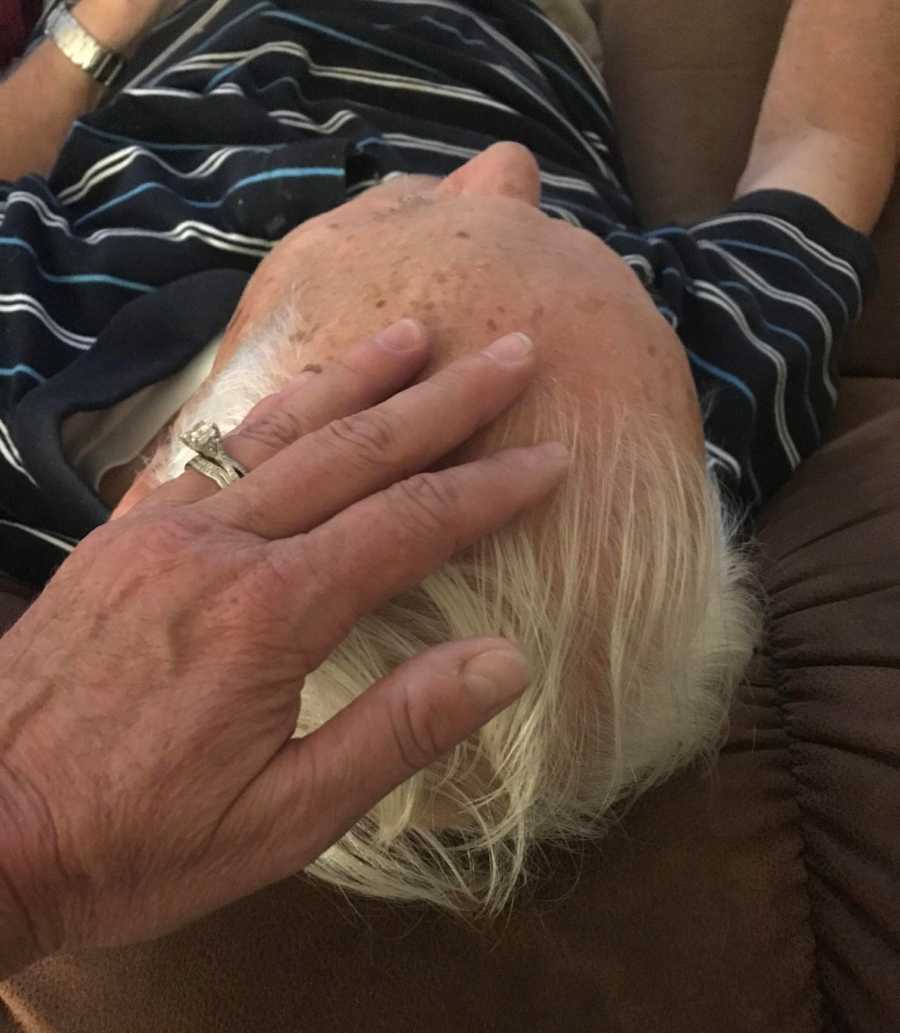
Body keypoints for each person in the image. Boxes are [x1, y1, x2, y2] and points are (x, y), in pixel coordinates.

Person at [0, 0, 897, 963]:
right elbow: (823, 140)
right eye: (570, 234)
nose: (508, 167)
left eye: (418, 205)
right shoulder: (678, 432)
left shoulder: (33, 359)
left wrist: (98, 27)